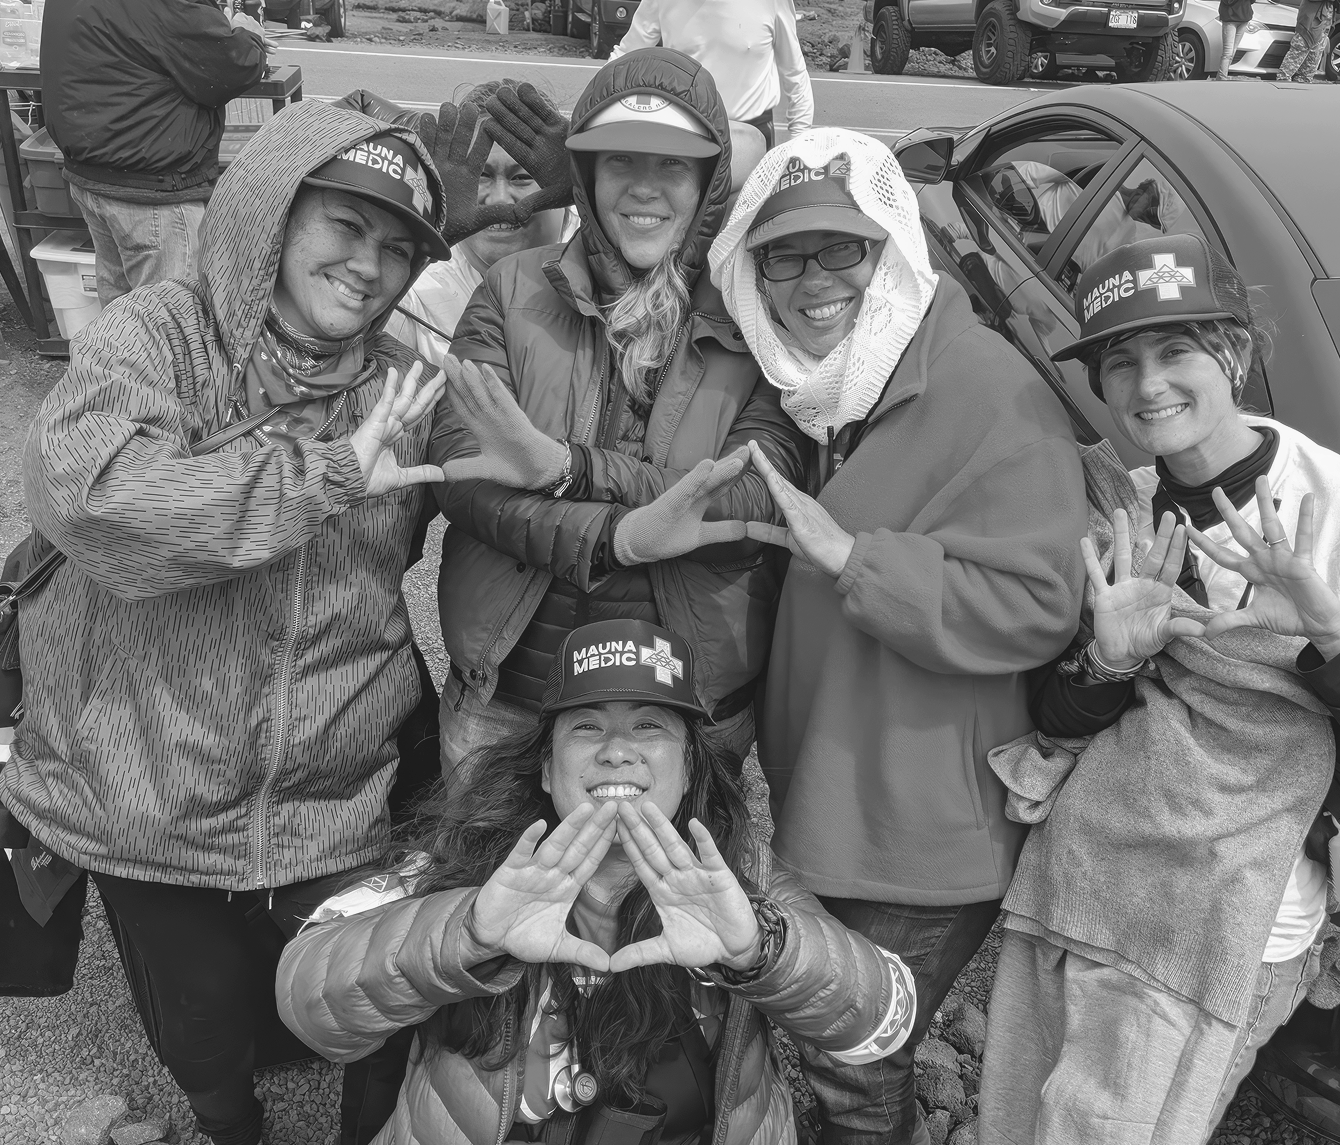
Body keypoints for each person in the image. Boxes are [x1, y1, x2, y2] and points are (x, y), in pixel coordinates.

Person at [0, 97, 560, 1145]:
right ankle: (229, 1122)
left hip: (338, 787)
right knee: (200, 1026)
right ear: (272, 214)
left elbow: (520, 499)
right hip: (151, 786)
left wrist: (558, 483)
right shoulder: (158, 336)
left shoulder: (406, 379)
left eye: (397, 248)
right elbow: (88, 496)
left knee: (374, 1004)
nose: (368, 266)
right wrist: (330, 476)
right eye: (343, 228)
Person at [977, 234, 1340, 1145]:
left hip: (1235, 912)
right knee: (1019, 1111)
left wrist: (1333, 636)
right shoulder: (1123, 509)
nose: (1148, 385)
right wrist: (1105, 662)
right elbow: (1058, 719)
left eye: (1175, 350)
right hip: (1086, 881)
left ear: (1232, 354)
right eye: (1121, 361)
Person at [709, 130, 1088, 1144]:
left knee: (852, 1053)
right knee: (842, 1043)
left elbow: (1035, 603)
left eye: (843, 249)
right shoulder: (836, 387)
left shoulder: (981, 386)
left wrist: (854, 559)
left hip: (923, 822)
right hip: (846, 797)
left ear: (894, 249)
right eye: (781, 255)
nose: (809, 280)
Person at [276, 618, 918, 1145]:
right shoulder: (458, 863)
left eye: (649, 725)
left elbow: (886, 1017)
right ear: (547, 772)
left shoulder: (740, 876)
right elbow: (307, 1004)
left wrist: (760, 953)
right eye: (586, 725)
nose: (617, 749)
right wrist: (464, 934)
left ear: (690, 770)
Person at [428, 48, 807, 787]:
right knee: (493, 896)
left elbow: (754, 494)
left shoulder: (755, 314)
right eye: (619, 162)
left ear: (709, 183)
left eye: (672, 167)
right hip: (510, 698)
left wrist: (566, 467)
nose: (644, 189)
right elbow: (467, 477)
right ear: (585, 178)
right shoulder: (510, 291)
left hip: (687, 708)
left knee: (669, 902)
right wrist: (622, 536)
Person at [40, 0, 271, 306]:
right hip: (151, 187)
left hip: (94, 172)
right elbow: (234, 64)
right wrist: (248, 31)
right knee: (171, 330)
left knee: (122, 325)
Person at [386, 80, 573, 367]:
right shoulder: (415, 296)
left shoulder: (611, 270)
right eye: (481, 176)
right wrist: (416, 256)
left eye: (521, 177)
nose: (499, 199)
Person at [609, 0, 814, 147]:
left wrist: (800, 143)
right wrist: (590, 106)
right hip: (686, 132)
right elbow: (626, 57)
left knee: (749, 207)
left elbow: (794, 72)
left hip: (752, 136)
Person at [1276, 0, 1338, 82]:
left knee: (1315, 54)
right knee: (1300, 49)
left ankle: (1304, 80)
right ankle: (1283, 80)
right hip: (1310, 19)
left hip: (1325, 19)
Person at [1215, 0, 1255, 79]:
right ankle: (1222, 78)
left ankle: (1221, 77)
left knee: (1232, 51)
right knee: (1228, 52)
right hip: (1230, 18)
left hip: (1243, 18)